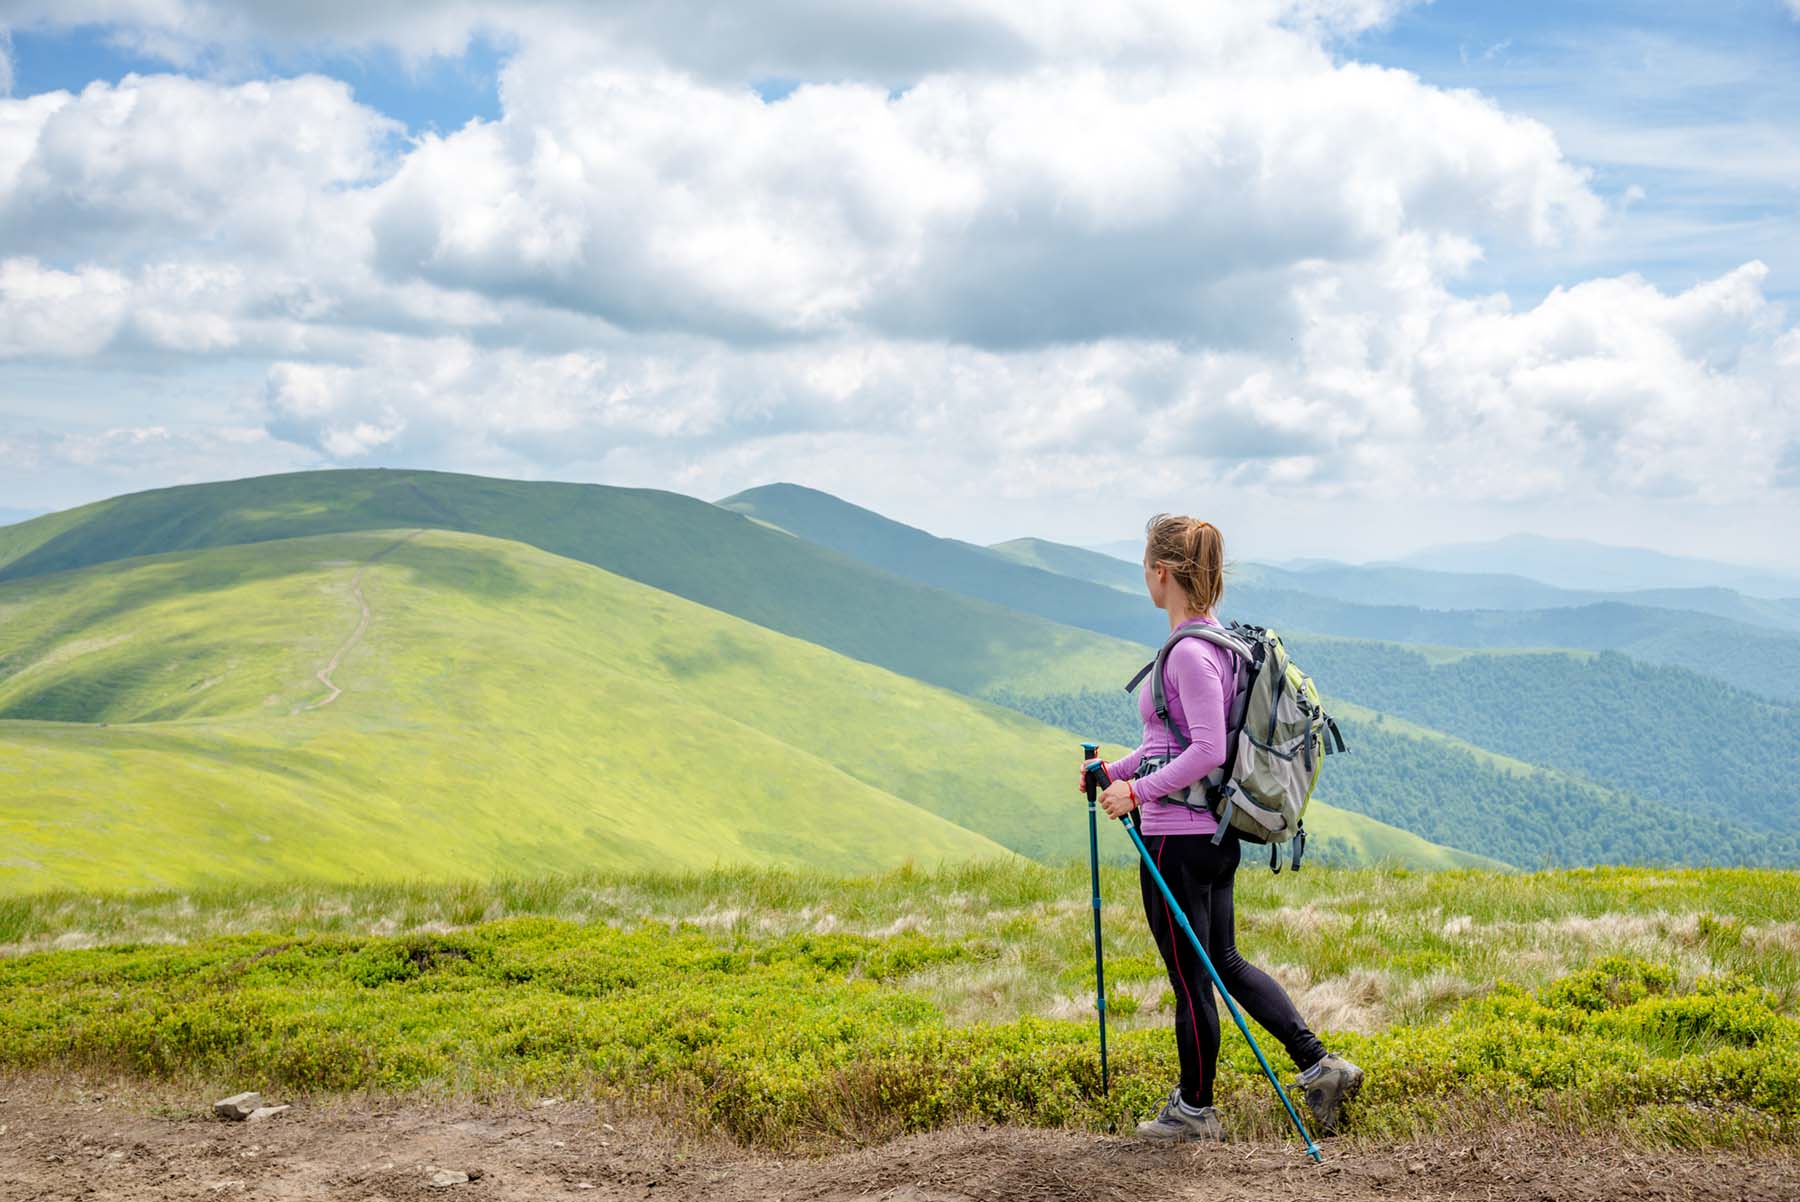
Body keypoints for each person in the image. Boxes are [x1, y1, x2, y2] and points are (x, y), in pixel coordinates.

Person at [1077, 514, 1363, 1142]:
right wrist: (1114, 771)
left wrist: (1138, 792)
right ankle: (1319, 1064)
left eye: (1146, 567)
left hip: (1176, 839)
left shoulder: (1189, 654)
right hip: (1212, 833)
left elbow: (1205, 751)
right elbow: (1169, 743)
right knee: (1224, 962)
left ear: (1163, 572)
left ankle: (1195, 1111)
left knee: (1191, 979)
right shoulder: (1219, 646)